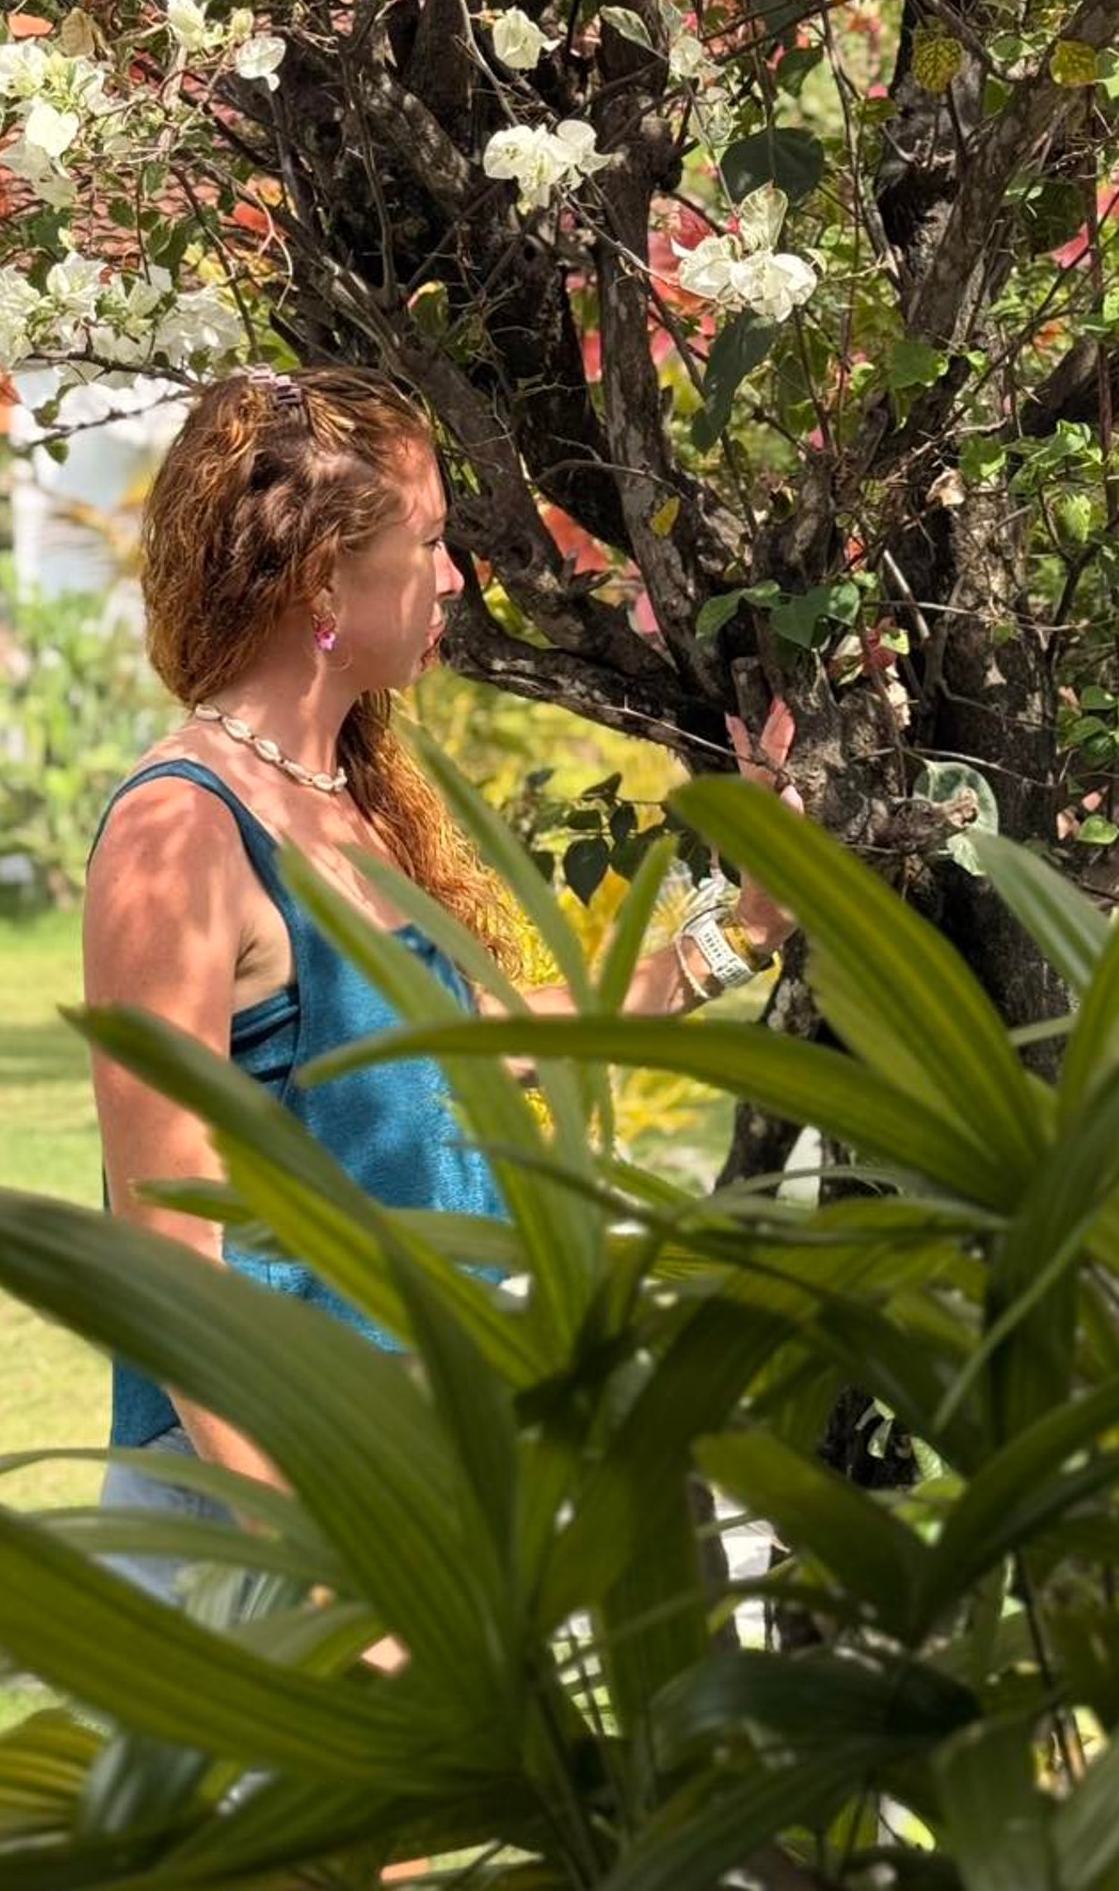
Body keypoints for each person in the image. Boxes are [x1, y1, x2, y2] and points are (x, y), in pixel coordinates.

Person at [81, 363, 795, 1613]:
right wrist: (325, 1568)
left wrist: (742, 925)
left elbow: (493, 1044)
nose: (457, 576)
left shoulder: (342, 802)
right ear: (319, 581)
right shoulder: (178, 834)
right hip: (269, 1506)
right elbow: (168, 1256)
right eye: (429, 540)